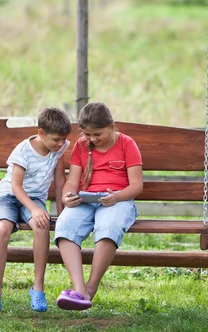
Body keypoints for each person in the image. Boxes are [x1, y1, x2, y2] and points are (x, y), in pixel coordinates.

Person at [0, 107, 72, 314]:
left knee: (41, 226)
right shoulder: (23, 150)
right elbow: (15, 187)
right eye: (56, 139)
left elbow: (59, 179)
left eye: (63, 139)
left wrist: (62, 211)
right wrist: (34, 209)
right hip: (8, 197)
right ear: (41, 133)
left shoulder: (60, 148)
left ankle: (37, 288)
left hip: (36, 198)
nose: (60, 144)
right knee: (2, 230)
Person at [54, 102, 143, 311]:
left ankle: (90, 289)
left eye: (97, 134)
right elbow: (72, 180)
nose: (92, 139)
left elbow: (137, 185)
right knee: (65, 226)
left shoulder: (127, 144)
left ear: (112, 126)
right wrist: (67, 197)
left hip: (117, 200)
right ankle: (79, 290)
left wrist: (117, 197)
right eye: (87, 135)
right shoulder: (81, 146)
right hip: (87, 200)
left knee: (108, 226)